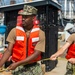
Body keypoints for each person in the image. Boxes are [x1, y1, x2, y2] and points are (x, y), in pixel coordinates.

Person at [0, 5, 45, 75]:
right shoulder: (14, 31)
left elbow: (36, 54)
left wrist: (17, 64)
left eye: (26, 17)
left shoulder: (40, 33)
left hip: (34, 67)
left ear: (33, 17)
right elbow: (8, 51)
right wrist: (0, 64)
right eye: (22, 16)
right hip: (18, 68)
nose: (23, 19)